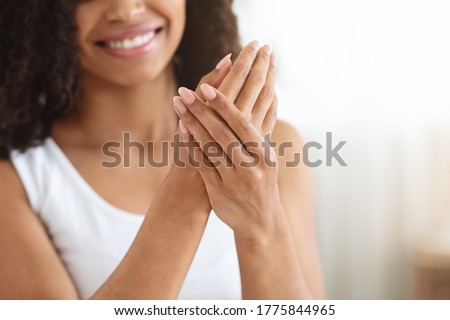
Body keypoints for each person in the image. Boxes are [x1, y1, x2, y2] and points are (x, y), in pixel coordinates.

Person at [0, 0, 325, 299]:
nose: (126, 10)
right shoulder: (15, 179)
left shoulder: (277, 145)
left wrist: (259, 222)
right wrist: (194, 175)